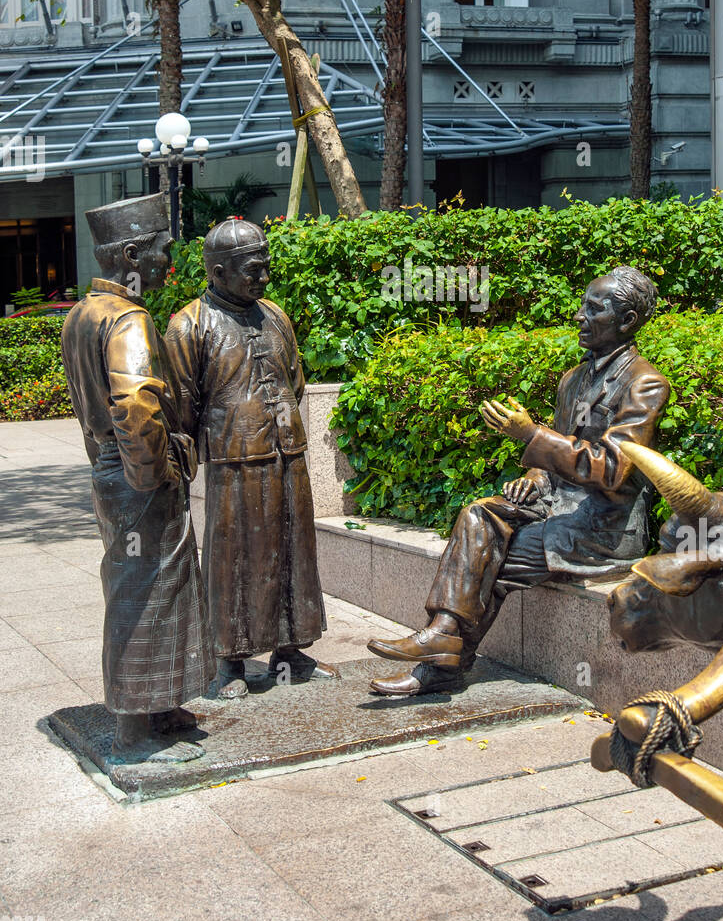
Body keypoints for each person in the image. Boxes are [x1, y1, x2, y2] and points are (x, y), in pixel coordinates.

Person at [367, 266, 670, 697]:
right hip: (558, 507)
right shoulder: (573, 379)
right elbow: (558, 455)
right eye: (583, 305)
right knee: (478, 516)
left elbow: (611, 469)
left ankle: (441, 663)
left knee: (494, 561)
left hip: (603, 524)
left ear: (628, 321)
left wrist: (531, 435)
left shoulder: (646, 383)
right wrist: (534, 475)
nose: (580, 317)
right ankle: (442, 635)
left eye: (594, 309)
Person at [61, 194, 214, 762]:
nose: (168, 259)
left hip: (112, 470)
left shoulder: (82, 313)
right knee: (143, 592)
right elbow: (135, 405)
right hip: (138, 480)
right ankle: (135, 726)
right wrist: (153, 476)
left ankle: (160, 704)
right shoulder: (128, 318)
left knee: (154, 586)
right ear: (130, 252)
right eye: (160, 248)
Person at [164, 219, 335, 699]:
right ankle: (230, 661)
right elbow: (181, 403)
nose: (263, 279)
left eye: (265, 268)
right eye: (252, 270)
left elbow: (295, 379)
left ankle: (292, 650)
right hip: (235, 461)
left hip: (287, 453)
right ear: (218, 272)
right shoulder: (188, 325)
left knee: (295, 550)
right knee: (234, 558)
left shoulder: (275, 315)